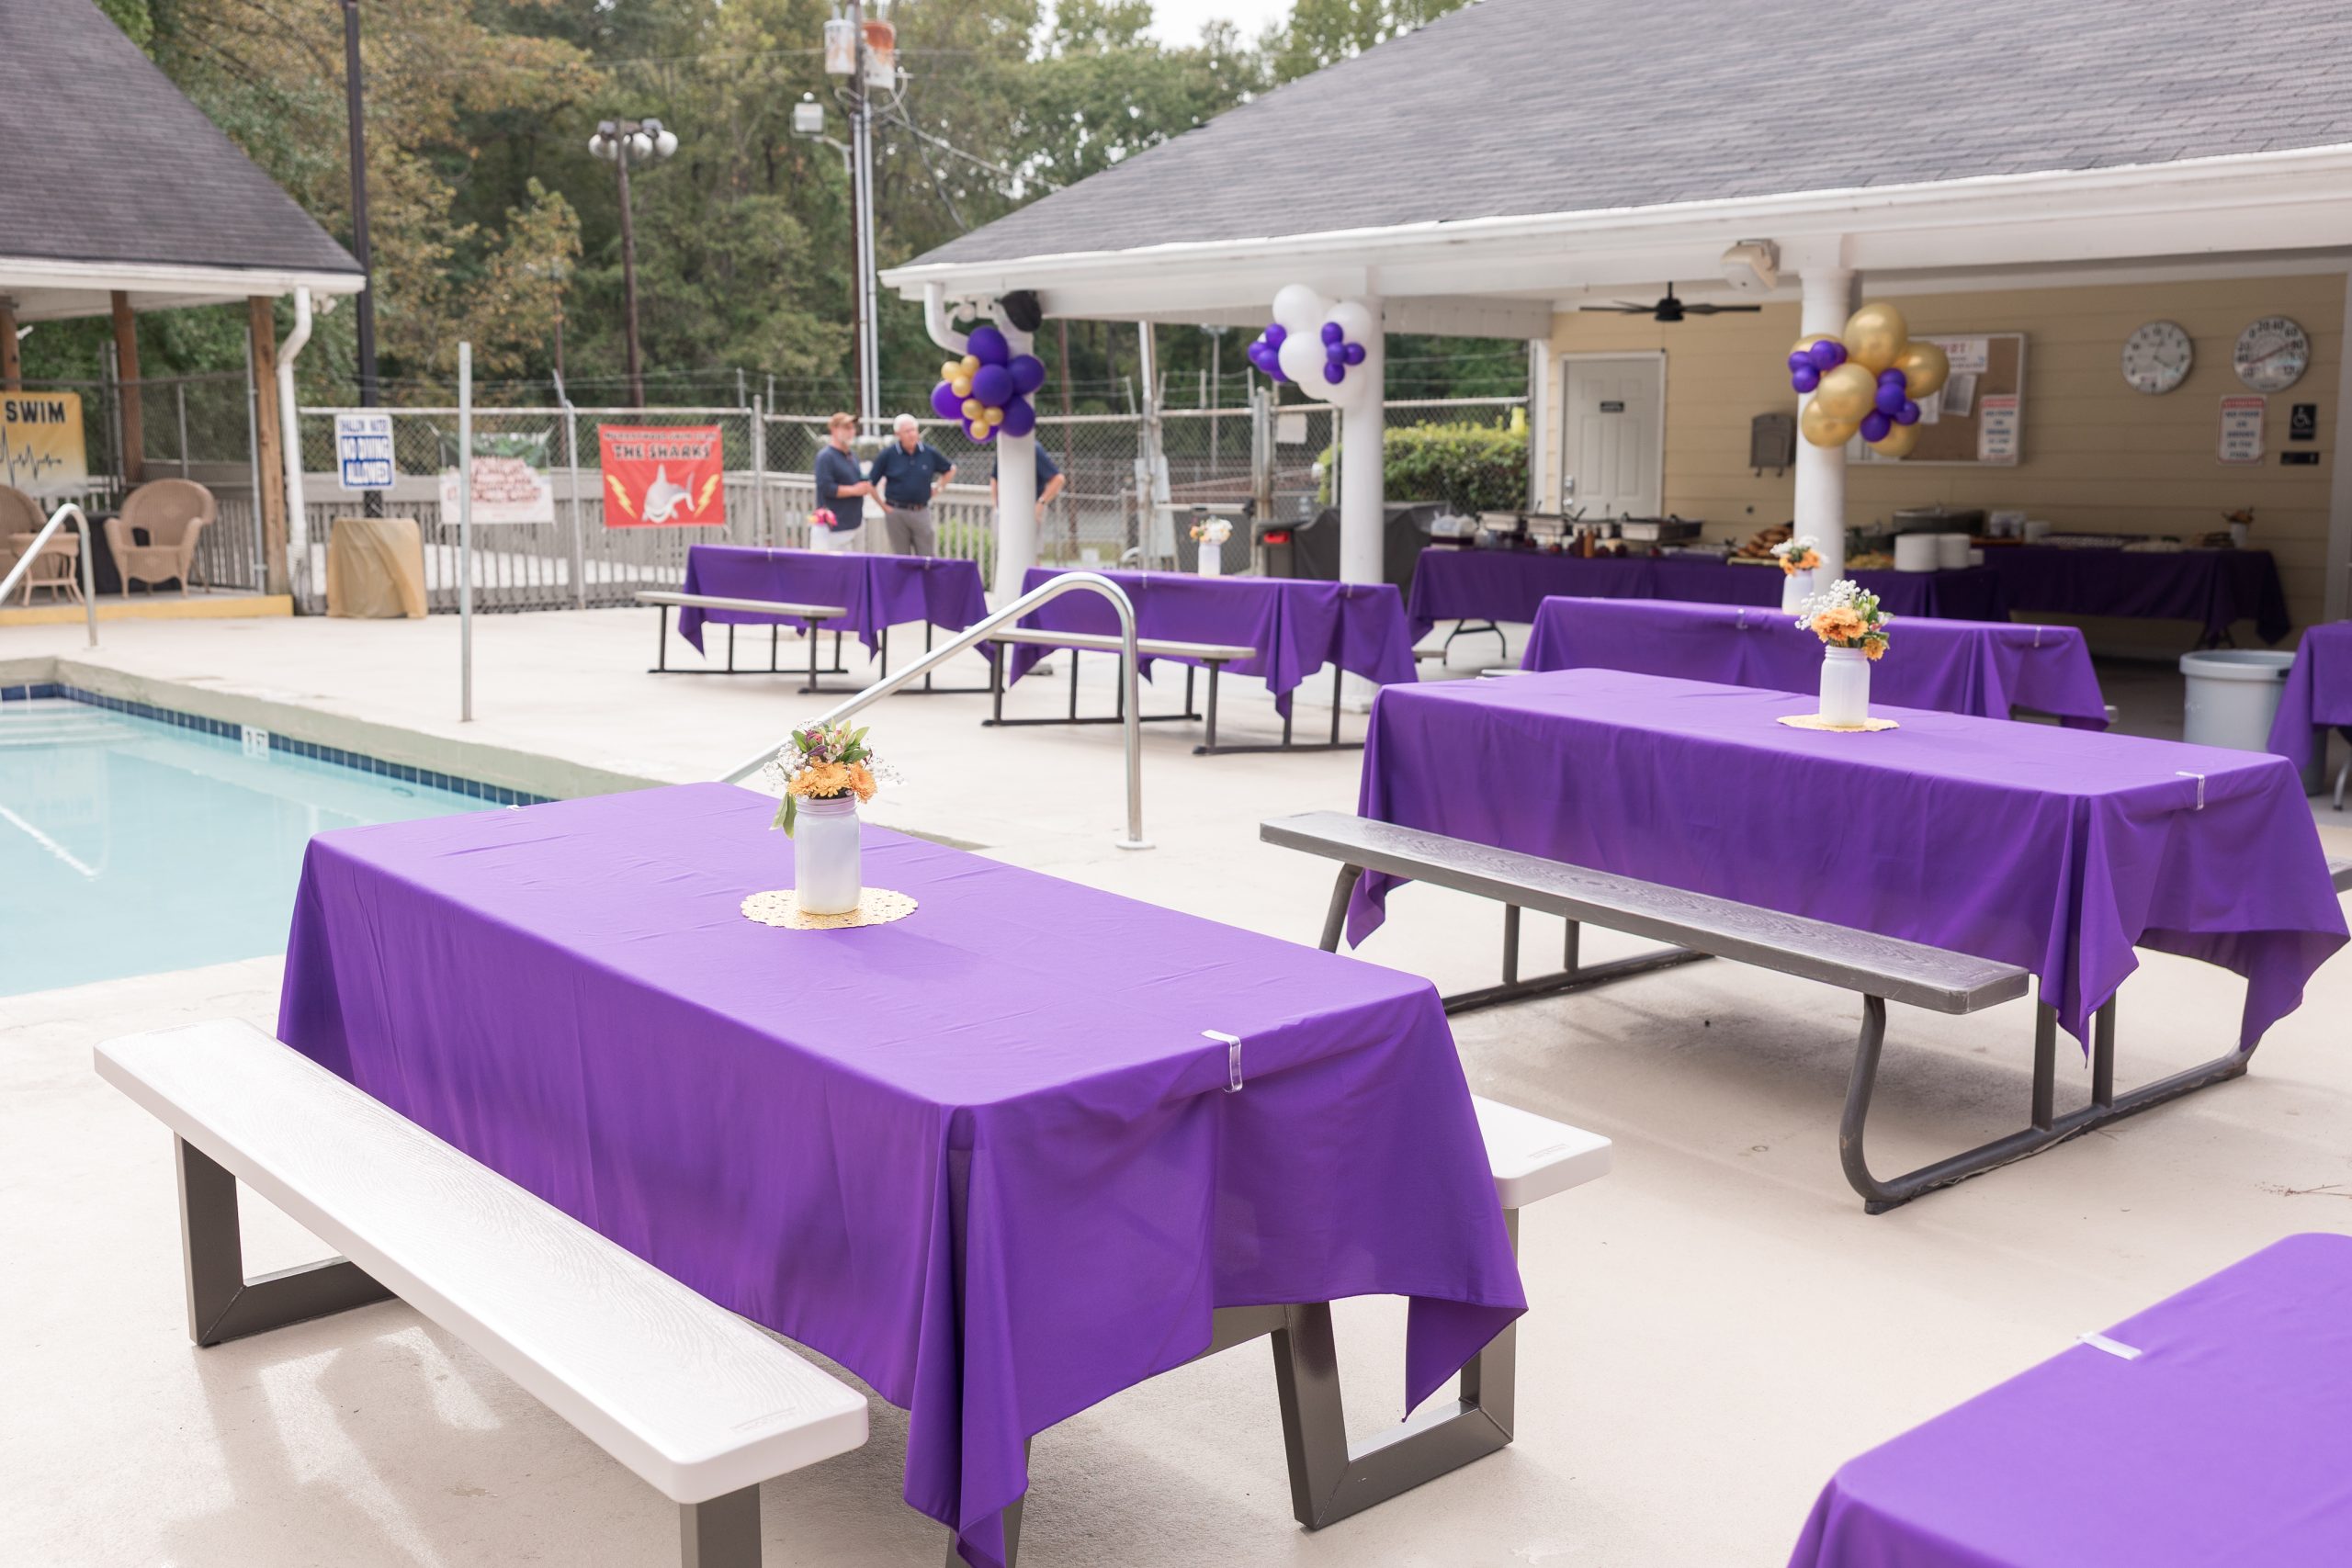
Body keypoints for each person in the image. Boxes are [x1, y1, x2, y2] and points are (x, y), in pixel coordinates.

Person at [866, 413, 956, 557]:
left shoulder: (929, 453)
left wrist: (938, 487)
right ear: (898, 434)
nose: (912, 434)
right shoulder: (888, 455)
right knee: (901, 557)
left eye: (913, 430)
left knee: (926, 556)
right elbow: (870, 484)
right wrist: (884, 507)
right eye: (907, 431)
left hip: (921, 511)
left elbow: (950, 470)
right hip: (896, 513)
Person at [810, 412, 874, 552]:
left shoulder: (852, 455)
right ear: (834, 429)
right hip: (835, 528)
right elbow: (826, 488)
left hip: (856, 524)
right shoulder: (826, 456)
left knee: (857, 564)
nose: (851, 432)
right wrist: (855, 490)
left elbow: (857, 479)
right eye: (846, 428)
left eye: (852, 428)